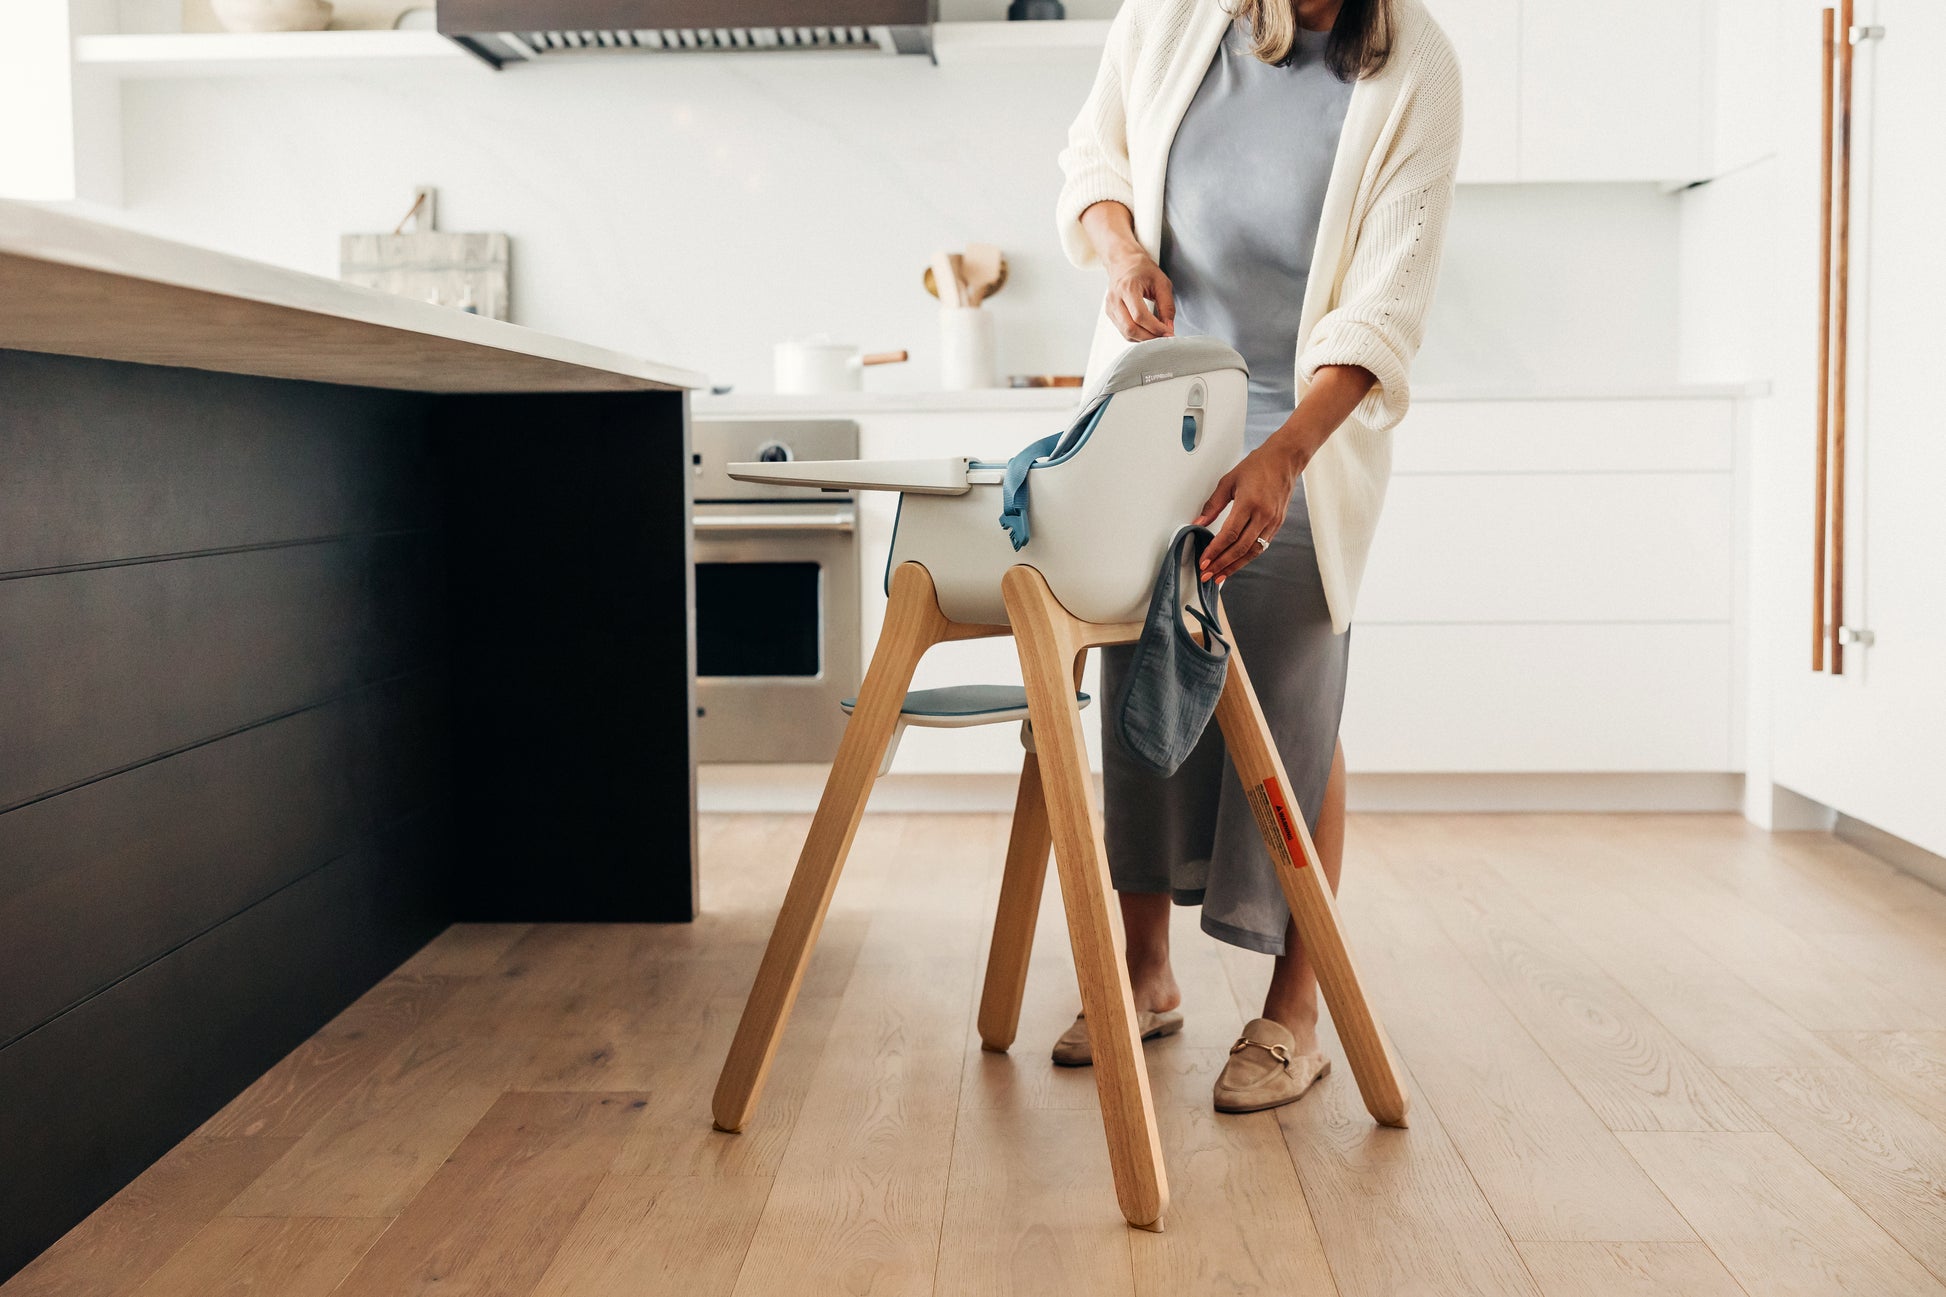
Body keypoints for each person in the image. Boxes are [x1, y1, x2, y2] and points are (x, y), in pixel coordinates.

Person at [1052, 0, 1461, 1112]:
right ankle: (1142, 975)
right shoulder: (1171, 16)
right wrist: (1124, 248)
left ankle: (1294, 1012)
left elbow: (1384, 305)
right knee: (1139, 685)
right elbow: (1096, 154)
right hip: (1154, 416)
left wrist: (1281, 459)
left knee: (1291, 712)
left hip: (1302, 437)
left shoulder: (1412, 65)